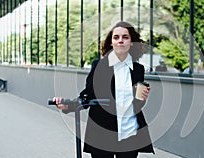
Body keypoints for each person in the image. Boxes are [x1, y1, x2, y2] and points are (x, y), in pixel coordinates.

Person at [53, 21, 154, 158]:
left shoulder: (138, 70)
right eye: (116, 37)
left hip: (129, 132)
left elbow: (136, 105)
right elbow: (89, 93)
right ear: (111, 43)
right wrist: (69, 105)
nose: (120, 41)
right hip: (102, 131)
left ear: (131, 42)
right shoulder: (99, 66)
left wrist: (141, 98)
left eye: (125, 37)